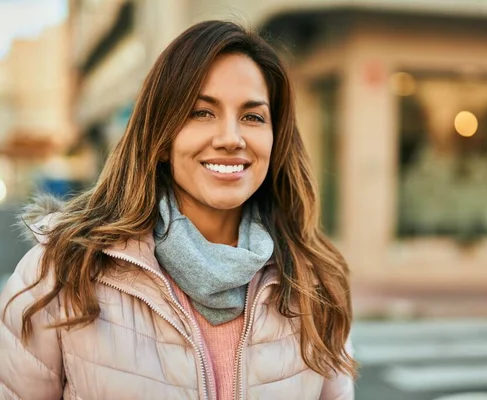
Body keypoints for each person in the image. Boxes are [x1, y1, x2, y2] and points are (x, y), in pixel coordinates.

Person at [0, 21, 356, 399]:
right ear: (162, 137)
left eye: (252, 116)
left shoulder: (315, 284)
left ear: (275, 139)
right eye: (202, 112)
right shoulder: (61, 271)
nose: (231, 138)